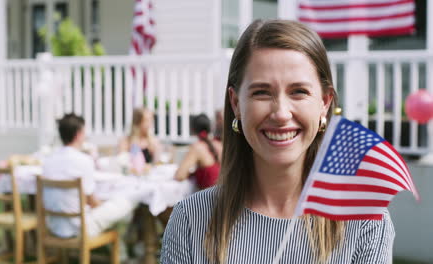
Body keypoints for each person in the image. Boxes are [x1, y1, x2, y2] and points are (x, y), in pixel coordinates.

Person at [161, 20, 394, 263]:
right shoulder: (190, 220)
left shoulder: (365, 221)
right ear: (236, 103)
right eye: (261, 92)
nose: (281, 113)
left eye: (299, 91)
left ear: (324, 102)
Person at [43, 113, 136, 238]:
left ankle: (120, 248)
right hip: (79, 227)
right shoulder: (83, 160)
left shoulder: (49, 159)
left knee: (110, 206)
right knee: (128, 201)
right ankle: (123, 247)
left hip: (54, 225)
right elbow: (92, 202)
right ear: (78, 134)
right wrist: (105, 206)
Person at [174, 114, 223, 190]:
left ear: (193, 129)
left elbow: (179, 176)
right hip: (223, 192)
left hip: (208, 197)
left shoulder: (197, 147)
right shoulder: (219, 145)